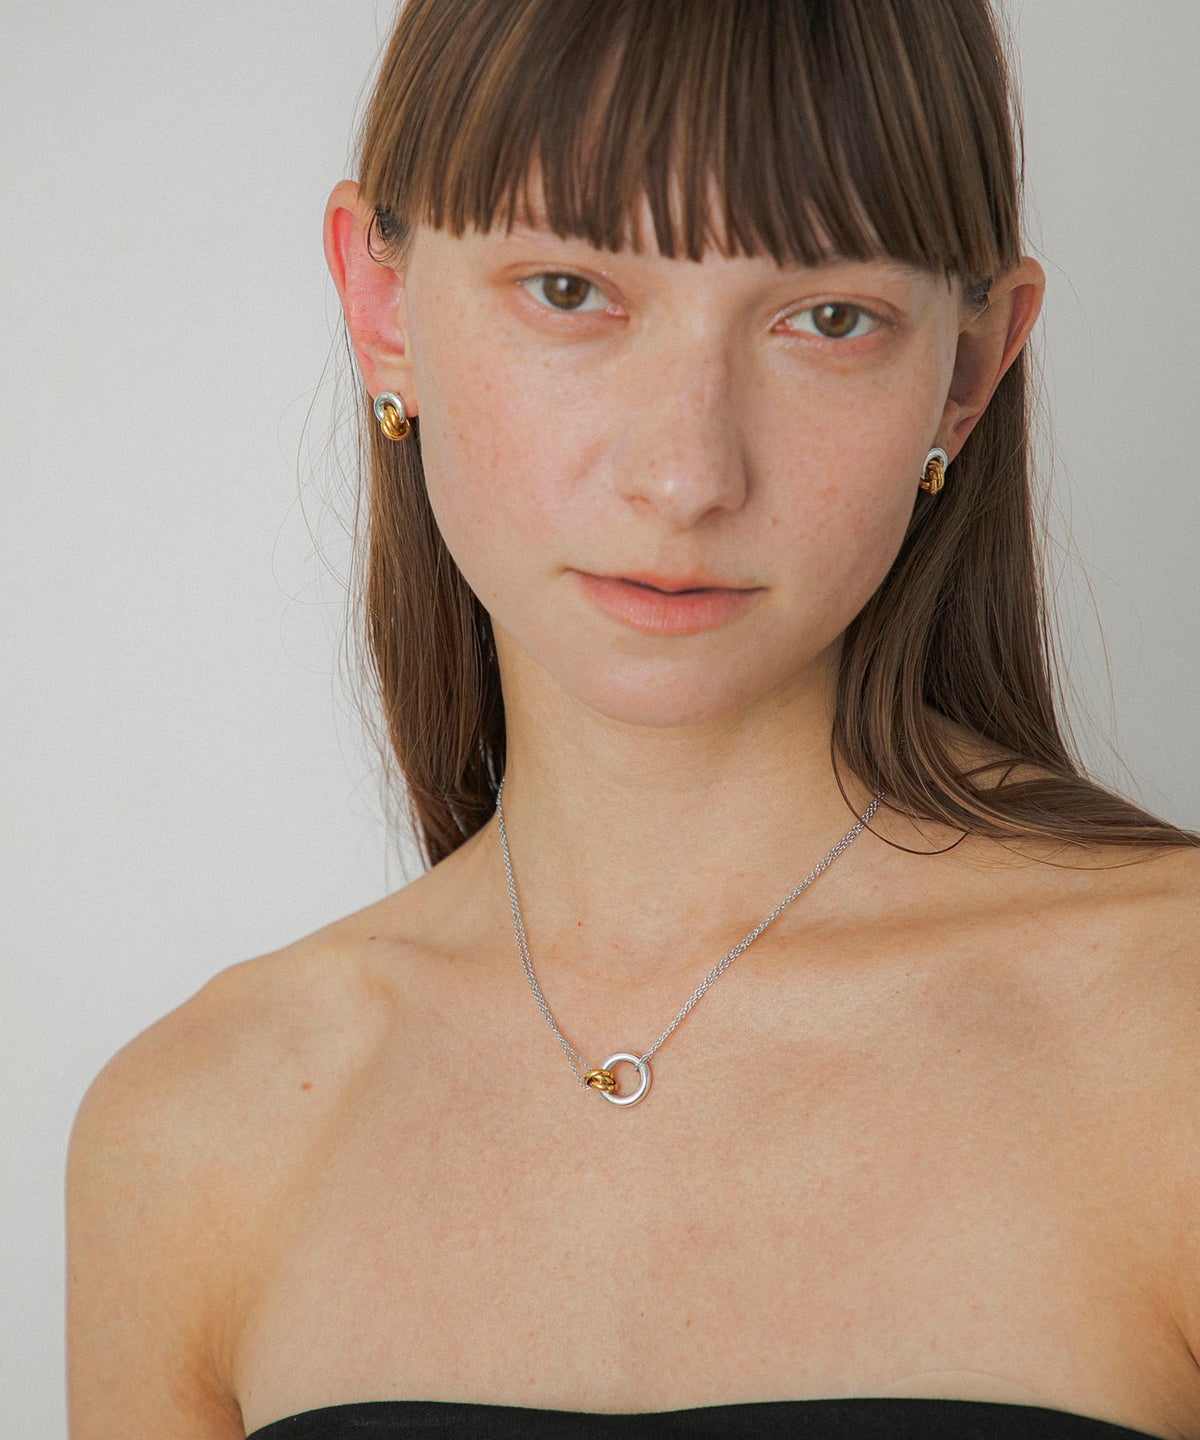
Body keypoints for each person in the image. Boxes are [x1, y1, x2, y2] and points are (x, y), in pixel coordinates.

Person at [65, 1, 1200, 1437]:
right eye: (569, 291)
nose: (686, 473)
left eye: (827, 318)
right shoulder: (194, 1132)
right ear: (381, 304)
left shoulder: (1171, 1037)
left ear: (969, 369)